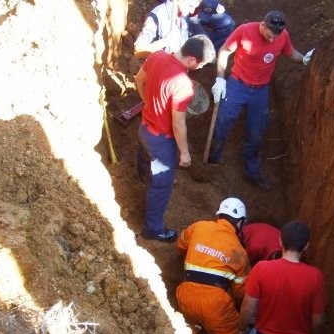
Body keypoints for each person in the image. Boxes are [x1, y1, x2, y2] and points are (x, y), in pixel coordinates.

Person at [207, 10, 315, 192]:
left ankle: (251, 171)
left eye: (276, 37)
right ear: (263, 25)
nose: (272, 40)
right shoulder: (244, 31)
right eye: (269, 35)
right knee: (224, 120)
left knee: (256, 132)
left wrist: (304, 59)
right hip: (237, 84)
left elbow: (290, 52)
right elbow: (225, 51)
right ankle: (214, 157)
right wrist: (220, 78)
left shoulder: (282, 36)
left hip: (260, 91)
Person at [135, 35, 216, 242]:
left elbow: (138, 80)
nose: (200, 68)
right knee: (161, 185)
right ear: (192, 60)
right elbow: (178, 123)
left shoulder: (157, 56)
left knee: (144, 160)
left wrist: (149, 105)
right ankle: (153, 229)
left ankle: (142, 177)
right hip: (161, 142)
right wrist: (185, 152)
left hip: (144, 129)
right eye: (202, 64)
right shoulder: (183, 84)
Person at [175, 197, 251, 334]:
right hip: (216, 305)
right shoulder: (239, 252)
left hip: (185, 294)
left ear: (218, 215)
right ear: (240, 222)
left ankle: (190, 333)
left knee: (192, 321)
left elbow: (180, 245)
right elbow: (240, 293)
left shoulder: (198, 227)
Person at [134, 0, 202, 58]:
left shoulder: (184, 14)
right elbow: (138, 50)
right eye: (190, 6)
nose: (192, 11)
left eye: (195, 8)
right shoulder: (158, 16)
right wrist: (165, 41)